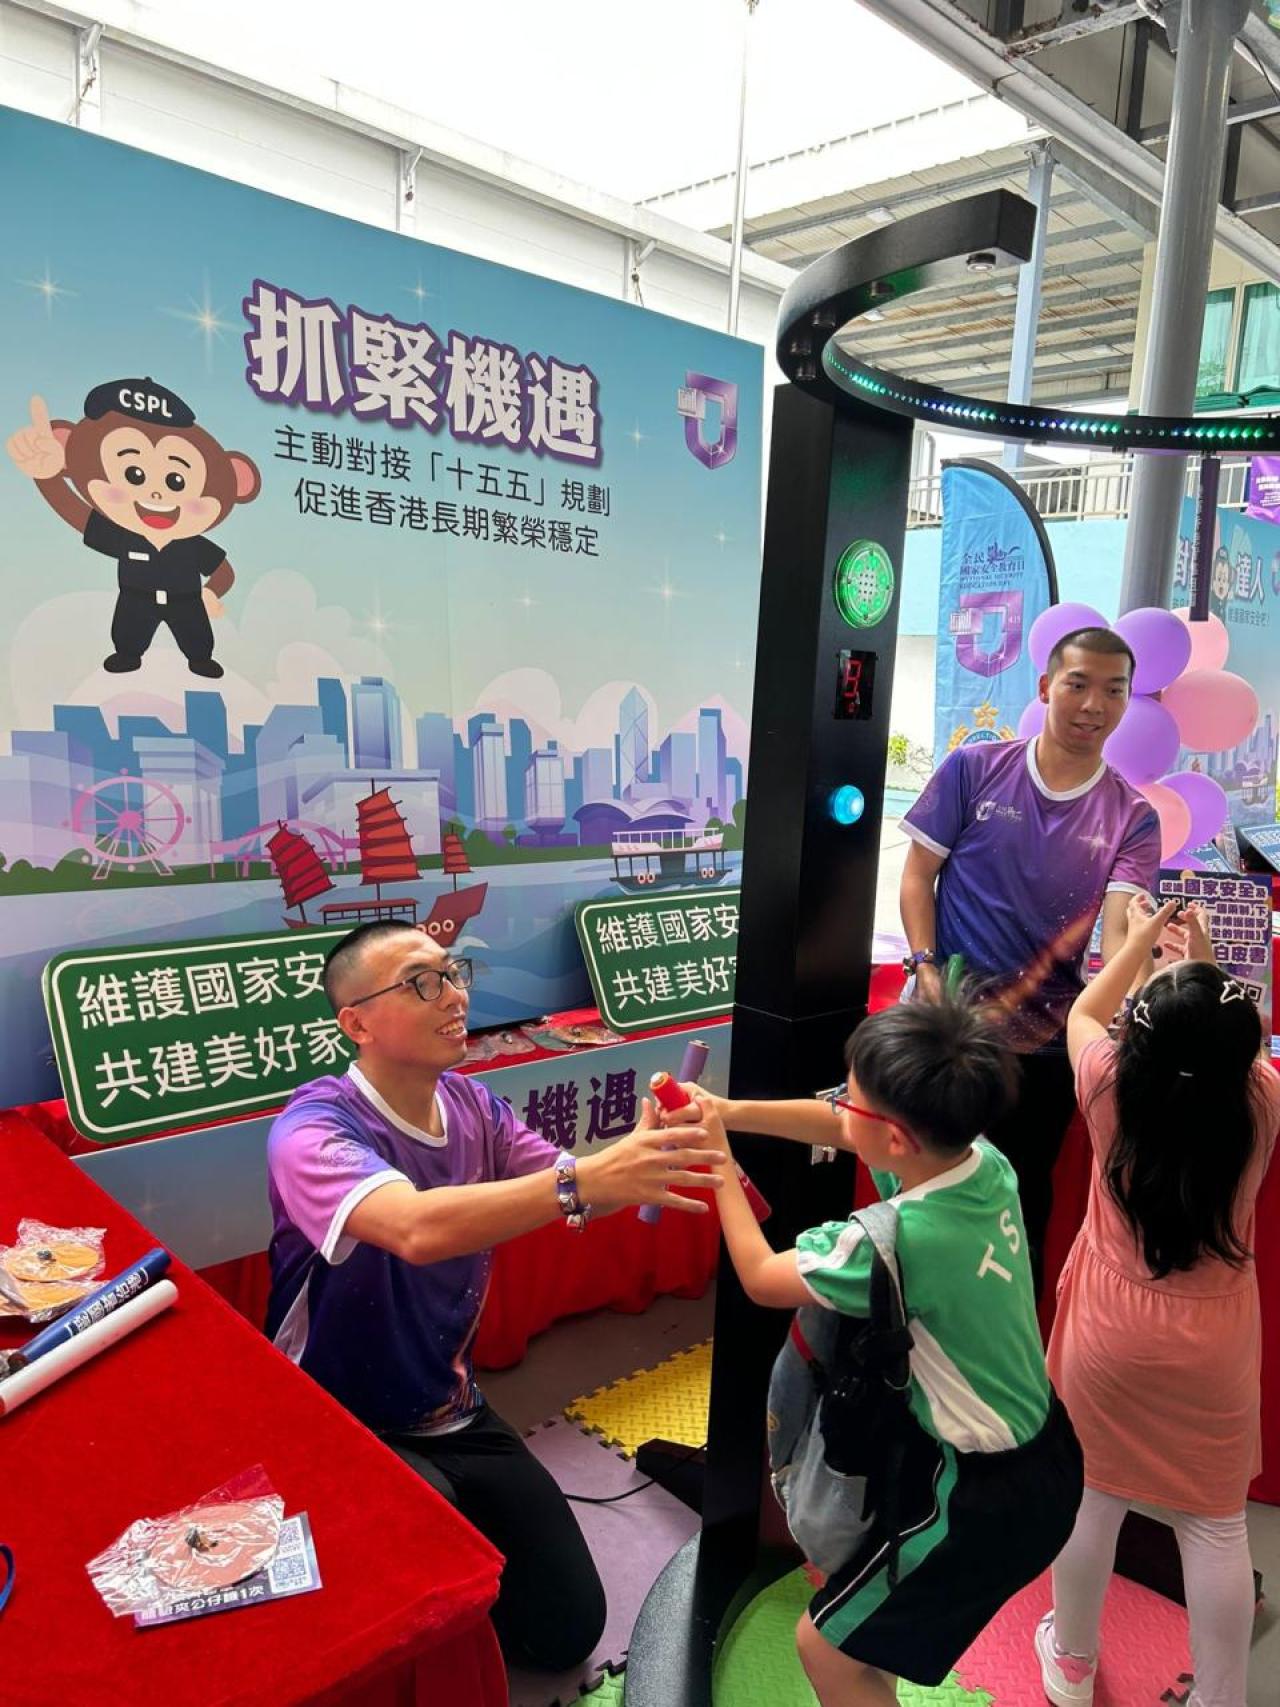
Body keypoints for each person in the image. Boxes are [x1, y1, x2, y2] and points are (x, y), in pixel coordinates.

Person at [263, 920, 723, 1673]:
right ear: (357, 1024)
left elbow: (571, 1186)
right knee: (405, 1625)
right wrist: (587, 1179)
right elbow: (412, 1227)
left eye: (453, 973)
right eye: (422, 982)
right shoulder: (312, 1129)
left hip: (453, 1410)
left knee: (568, 1631)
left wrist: (641, 1154)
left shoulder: (473, 1105)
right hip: (340, 1425)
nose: (454, 995)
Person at [662, 1000, 1082, 1707]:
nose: (837, 1106)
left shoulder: (898, 1239)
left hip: (982, 1498)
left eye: (848, 1097)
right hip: (1043, 1449)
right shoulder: (982, 1163)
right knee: (861, 1644)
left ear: (894, 1137)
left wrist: (717, 1161)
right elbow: (842, 1126)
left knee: (823, 1649)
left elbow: (762, 1277)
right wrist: (724, 1112)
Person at [1037, 896, 1280, 1707]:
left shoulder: (1108, 1087)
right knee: (1214, 1522)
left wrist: (1141, 940)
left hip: (1109, 1331)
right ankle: (1221, 1697)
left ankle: (1072, 1663)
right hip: (1214, 1341)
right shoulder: (1260, 1101)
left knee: (1090, 1493)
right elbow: (1241, 1042)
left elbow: (1084, 1013)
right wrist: (1202, 957)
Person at [900, 626, 1162, 1293]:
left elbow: (1118, 934)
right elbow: (917, 876)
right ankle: (900, 1330)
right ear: (1046, 687)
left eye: (1114, 690)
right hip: (945, 1030)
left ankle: (1004, 1336)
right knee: (918, 1187)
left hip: (1043, 1050)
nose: (1094, 705)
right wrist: (924, 967)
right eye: (1078, 684)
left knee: (1016, 1203)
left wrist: (1139, 980)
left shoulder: (1132, 816)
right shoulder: (973, 769)